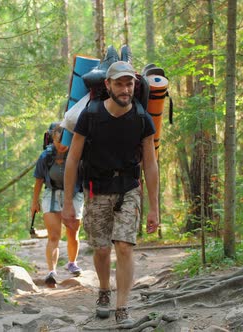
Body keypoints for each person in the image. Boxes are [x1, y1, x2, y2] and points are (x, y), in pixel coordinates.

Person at [62, 61, 160, 325]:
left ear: (134, 85)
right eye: (119, 83)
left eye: (129, 84)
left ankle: (122, 307)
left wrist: (154, 207)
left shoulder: (142, 118)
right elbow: (72, 160)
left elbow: (150, 164)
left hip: (128, 189)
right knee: (102, 249)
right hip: (96, 190)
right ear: (107, 85)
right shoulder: (91, 116)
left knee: (125, 247)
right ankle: (104, 290)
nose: (125, 89)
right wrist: (68, 204)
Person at [31, 123, 84, 288]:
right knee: (53, 235)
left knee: (72, 233)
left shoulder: (77, 155)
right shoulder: (45, 156)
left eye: (65, 141)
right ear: (52, 139)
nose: (62, 145)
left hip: (74, 194)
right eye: (58, 141)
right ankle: (51, 272)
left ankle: (71, 262)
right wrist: (35, 202)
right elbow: (39, 179)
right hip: (51, 194)